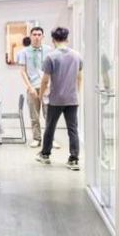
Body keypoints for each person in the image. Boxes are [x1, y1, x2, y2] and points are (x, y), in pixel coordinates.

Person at [36, 27, 83, 170]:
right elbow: (79, 77)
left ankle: (45, 155)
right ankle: (74, 159)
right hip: (72, 99)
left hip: (56, 99)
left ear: (53, 40)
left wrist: (40, 95)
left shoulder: (51, 57)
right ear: (67, 39)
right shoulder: (77, 56)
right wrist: (76, 93)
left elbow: (45, 80)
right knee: (73, 129)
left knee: (50, 127)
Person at [19, 27, 57, 148]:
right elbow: (22, 71)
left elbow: (54, 69)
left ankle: (51, 139)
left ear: (43, 36)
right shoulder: (24, 52)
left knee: (49, 115)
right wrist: (29, 87)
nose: (36, 37)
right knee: (34, 115)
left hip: (47, 87)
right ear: (30, 36)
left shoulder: (49, 50)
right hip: (32, 87)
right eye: (34, 34)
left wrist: (50, 85)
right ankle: (36, 138)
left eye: (39, 34)